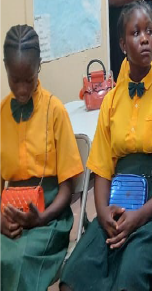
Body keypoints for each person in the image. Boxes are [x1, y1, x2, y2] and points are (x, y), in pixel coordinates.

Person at [60, 2, 152, 291]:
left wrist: (139, 217)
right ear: (122, 44)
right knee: (73, 277)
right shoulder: (111, 102)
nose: (145, 38)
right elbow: (102, 169)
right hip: (116, 206)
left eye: (149, 31)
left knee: (127, 279)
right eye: (135, 33)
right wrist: (104, 212)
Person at [0, 25, 84, 291]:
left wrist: (42, 218)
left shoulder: (55, 111)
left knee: (17, 259)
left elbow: (67, 187)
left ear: (39, 68)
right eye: (15, 80)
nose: (22, 89)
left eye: (29, 79)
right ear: (5, 69)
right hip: (9, 214)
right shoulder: (1, 113)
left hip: (49, 217)